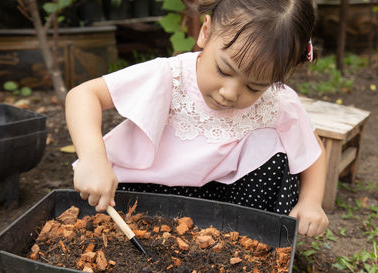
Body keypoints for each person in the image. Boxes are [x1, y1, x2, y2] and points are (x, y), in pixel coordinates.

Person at [66, 0, 329, 237]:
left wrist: (311, 201)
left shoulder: (275, 101)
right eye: (224, 70)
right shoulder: (170, 76)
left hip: (221, 203)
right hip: (146, 192)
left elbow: (312, 150)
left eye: (254, 87)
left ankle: (251, 237)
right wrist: (93, 159)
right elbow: (84, 94)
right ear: (206, 32)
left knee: (277, 154)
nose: (230, 93)